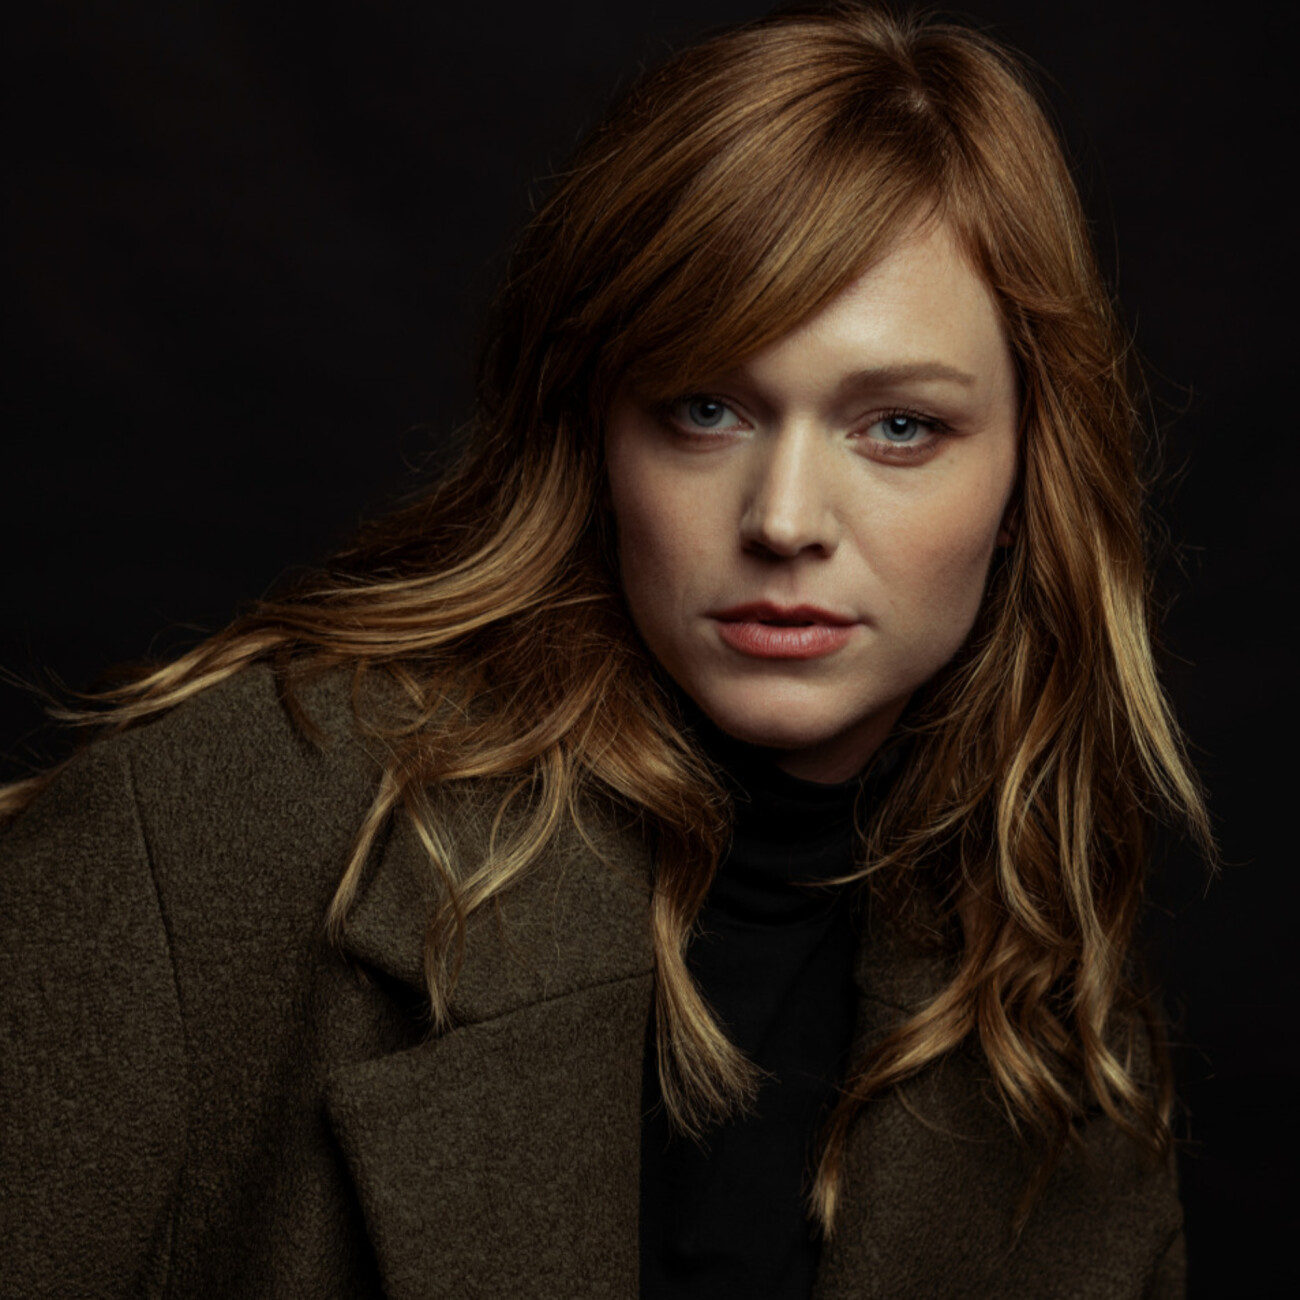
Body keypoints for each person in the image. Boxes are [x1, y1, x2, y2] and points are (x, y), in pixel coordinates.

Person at [0, 3, 1212, 1296]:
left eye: (900, 427)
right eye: (706, 408)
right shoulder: (229, 830)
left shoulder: (1059, 1030)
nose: (785, 520)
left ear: (1030, 472)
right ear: (596, 434)